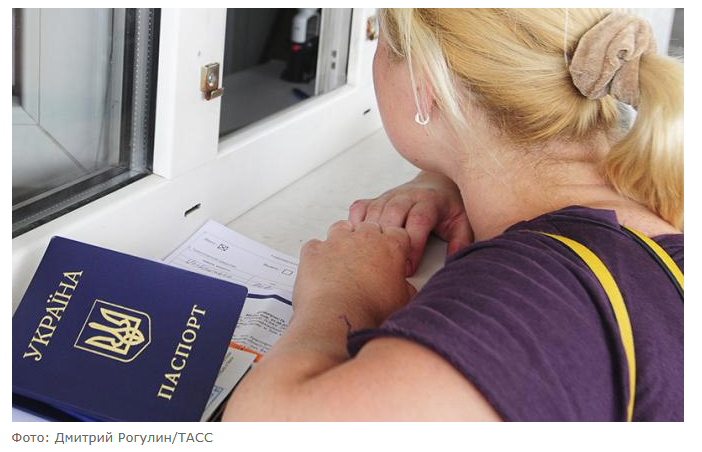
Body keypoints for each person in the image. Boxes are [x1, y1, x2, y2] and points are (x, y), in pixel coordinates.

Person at [223, 8, 683, 421]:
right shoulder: (654, 202)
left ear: (424, 84)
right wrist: (447, 177)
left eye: (380, 36)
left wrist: (341, 297)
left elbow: (263, 426)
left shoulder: (531, 295)